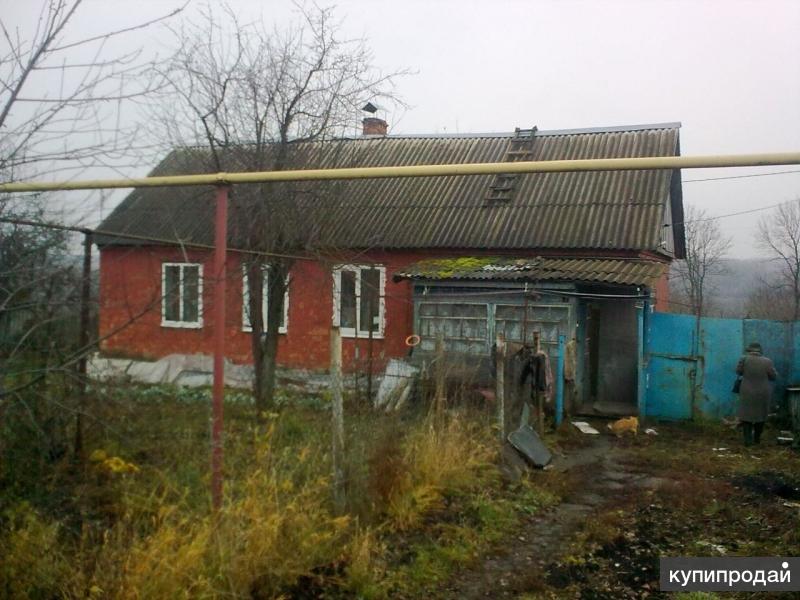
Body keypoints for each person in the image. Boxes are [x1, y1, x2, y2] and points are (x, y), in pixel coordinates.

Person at [736, 342, 777, 446]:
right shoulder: (768, 361)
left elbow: (738, 372)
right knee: (761, 416)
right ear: (760, 351)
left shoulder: (744, 359)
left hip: (747, 391)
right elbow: (773, 377)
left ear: (749, 350)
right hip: (762, 392)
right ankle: (757, 439)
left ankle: (747, 441)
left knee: (746, 416)